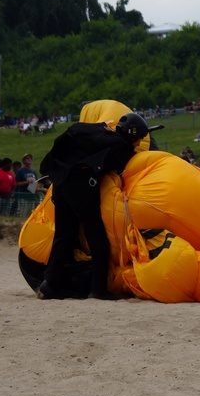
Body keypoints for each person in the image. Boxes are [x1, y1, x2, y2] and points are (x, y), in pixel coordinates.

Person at [38, 112, 147, 299]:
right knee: (97, 236)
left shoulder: (100, 131)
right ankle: (98, 289)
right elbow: (128, 167)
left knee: (64, 235)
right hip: (80, 186)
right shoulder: (120, 147)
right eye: (138, 138)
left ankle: (49, 283)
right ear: (131, 134)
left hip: (60, 183)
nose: (139, 143)